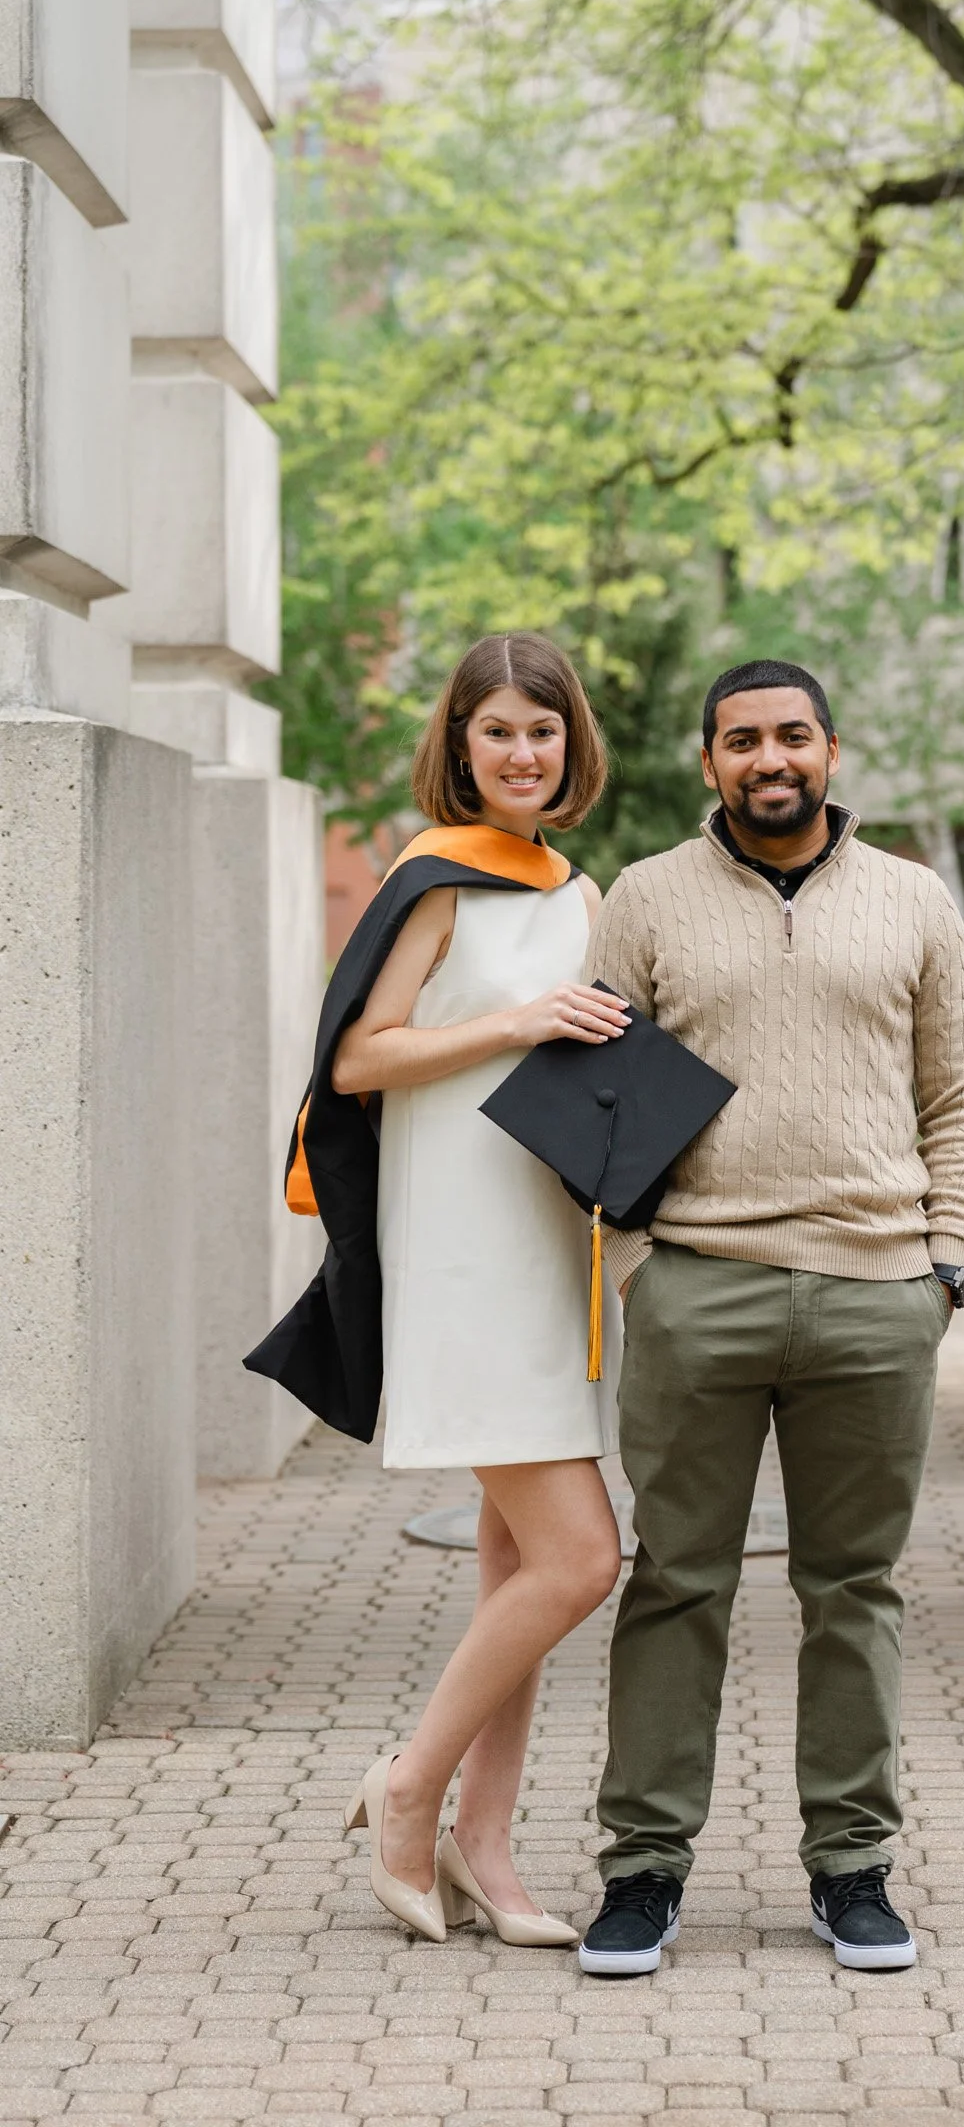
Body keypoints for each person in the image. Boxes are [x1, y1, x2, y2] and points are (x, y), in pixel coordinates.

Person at [576, 657, 964, 1976]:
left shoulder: (914, 899)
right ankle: (642, 1872)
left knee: (855, 1590)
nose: (772, 758)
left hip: (879, 1295)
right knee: (673, 1584)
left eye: (793, 736)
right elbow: (593, 1099)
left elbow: (960, 1095)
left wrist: (945, 1264)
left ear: (830, 750)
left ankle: (854, 1866)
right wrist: (640, 1266)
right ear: (710, 762)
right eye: (744, 739)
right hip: (698, 1288)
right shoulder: (645, 897)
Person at [318, 633, 632, 1946]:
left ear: (573, 747)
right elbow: (359, 1061)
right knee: (581, 1559)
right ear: (459, 743)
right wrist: (516, 1021)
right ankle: (407, 1789)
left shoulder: (581, 887)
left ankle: (487, 1855)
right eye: (497, 730)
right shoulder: (435, 878)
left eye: (543, 732)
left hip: (557, 1249)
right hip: (462, 1256)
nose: (522, 753)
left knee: (516, 1568)